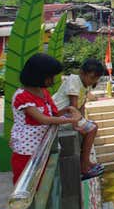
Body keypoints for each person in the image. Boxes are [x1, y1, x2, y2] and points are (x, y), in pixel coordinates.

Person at [9, 54, 82, 184]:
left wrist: (66, 111)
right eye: (50, 77)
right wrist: (72, 120)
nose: (52, 81)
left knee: (43, 181)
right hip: (27, 150)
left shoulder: (44, 93)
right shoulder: (22, 96)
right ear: (38, 75)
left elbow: (52, 115)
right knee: (26, 182)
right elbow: (43, 119)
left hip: (44, 145)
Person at [53, 59, 105, 177]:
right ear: (82, 73)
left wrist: (82, 120)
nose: (93, 81)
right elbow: (73, 106)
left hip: (70, 115)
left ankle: (87, 162)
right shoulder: (74, 80)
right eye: (92, 78)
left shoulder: (86, 85)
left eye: (96, 79)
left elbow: (81, 106)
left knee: (93, 126)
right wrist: (77, 125)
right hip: (60, 115)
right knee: (91, 129)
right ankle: (84, 166)